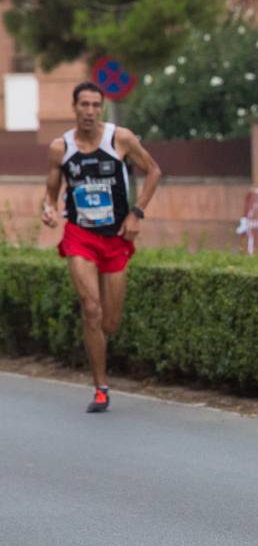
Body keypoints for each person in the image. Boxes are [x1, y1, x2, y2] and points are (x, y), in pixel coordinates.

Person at [38, 82, 163, 412]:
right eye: (84, 105)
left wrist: (137, 213)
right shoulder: (59, 148)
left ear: (102, 108)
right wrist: (48, 209)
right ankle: (101, 388)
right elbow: (51, 191)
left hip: (116, 237)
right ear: (74, 108)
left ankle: (102, 369)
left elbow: (153, 171)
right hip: (80, 235)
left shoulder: (120, 138)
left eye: (96, 105)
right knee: (90, 310)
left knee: (110, 323)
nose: (90, 111)